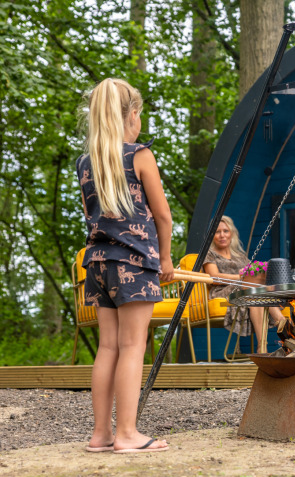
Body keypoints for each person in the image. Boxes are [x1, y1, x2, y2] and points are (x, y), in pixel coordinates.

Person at [77, 78, 171, 454]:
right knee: (133, 346)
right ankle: (128, 434)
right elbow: (162, 216)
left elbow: (90, 215)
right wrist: (164, 259)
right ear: (132, 115)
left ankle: (101, 435)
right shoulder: (139, 155)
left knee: (108, 347)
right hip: (135, 263)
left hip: (97, 264)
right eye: (140, 114)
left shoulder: (86, 163)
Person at [203, 216, 284, 353]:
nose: (222, 235)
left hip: (246, 290)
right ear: (212, 235)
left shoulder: (240, 256)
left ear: (232, 233)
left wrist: (252, 277)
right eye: (217, 232)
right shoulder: (209, 254)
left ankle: (261, 346)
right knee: (252, 285)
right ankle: (280, 320)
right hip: (223, 290)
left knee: (255, 294)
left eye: (225, 231)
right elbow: (214, 277)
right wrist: (241, 278)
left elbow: (252, 277)